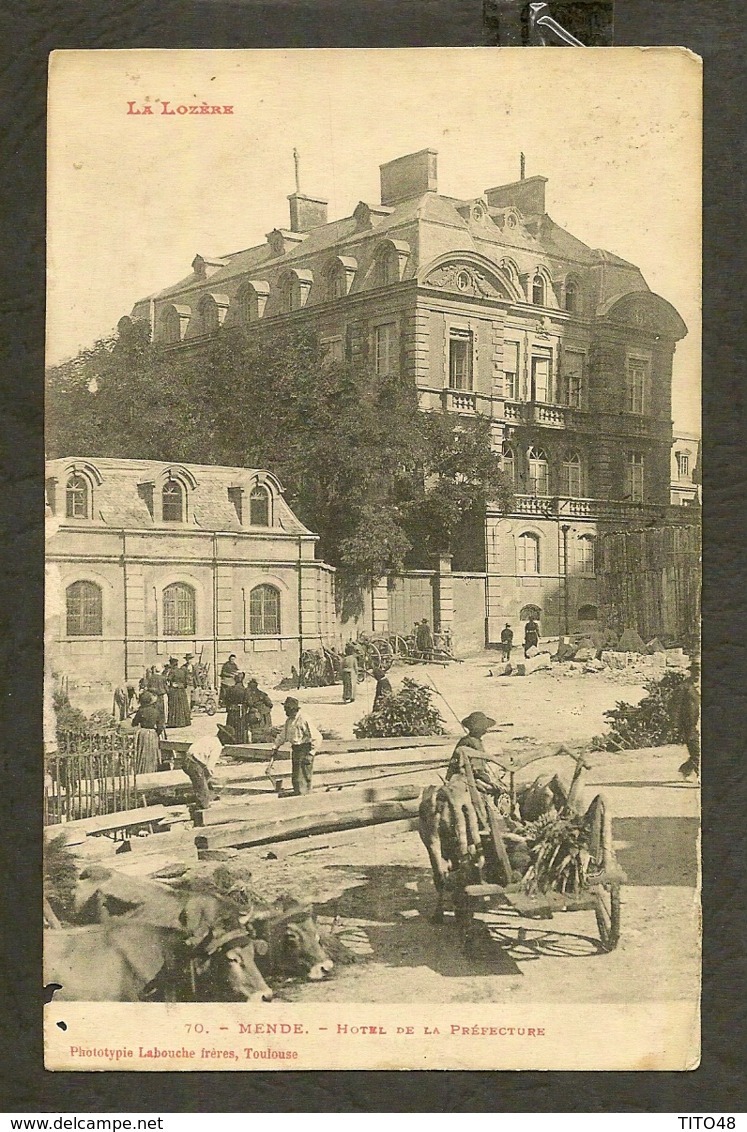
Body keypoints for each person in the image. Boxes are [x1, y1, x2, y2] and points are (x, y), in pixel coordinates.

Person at [267, 697, 322, 796]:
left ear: (293, 709)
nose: (285, 712)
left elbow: (317, 737)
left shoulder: (304, 719)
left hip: (305, 749)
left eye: (286, 709)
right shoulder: (289, 721)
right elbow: (283, 736)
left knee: (305, 776)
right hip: (296, 750)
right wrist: (275, 747)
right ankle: (298, 794)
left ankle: (305, 796)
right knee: (296, 777)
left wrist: (311, 753)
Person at [446, 710, 507, 799]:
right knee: (497, 790)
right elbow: (475, 768)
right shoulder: (469, 742)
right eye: (483, 728)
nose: (485, 730)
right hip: (467, 777)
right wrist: (489, 780)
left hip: (473, 774)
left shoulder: (475, 741)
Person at [184, 723, 234, 809]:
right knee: (204, 795)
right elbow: (210, 767)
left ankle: (197, 801)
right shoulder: (217, 746)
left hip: (187, 760)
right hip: (194, 764)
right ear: (224, 737)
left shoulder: (209, 738)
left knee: (201, 785)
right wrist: (214, 779)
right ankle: (202, 813)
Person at [130, 691, 165, 774]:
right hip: (152, 733)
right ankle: (151, 770)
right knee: (152, 753)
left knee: (141, 752)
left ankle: (141, 770)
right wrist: (156, 733)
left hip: (142, 734)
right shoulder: (156, 711)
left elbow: (134, 723)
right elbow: (160, 727)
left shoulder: (140, 711)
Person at [677, 659, 701, 779]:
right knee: (697, 752)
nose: (698, 674)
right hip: (690, 725)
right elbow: (676, 707)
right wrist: (678, 725)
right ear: (691, 672)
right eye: (695, 671)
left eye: (700, 671)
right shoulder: (685, 687)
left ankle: (686, 769)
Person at [224, 671, 250, 743]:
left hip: (231, 710)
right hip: (240, 710)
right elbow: (247, 701)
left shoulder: (229, 689)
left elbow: (226, 700)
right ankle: (239, 741)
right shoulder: (244, 690)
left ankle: (230, 740)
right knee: (240, 726)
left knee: (230, 725)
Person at [165, 656, 191, 728]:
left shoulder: (172, 671)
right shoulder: (182, 671)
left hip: (175, 690)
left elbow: (168, 680)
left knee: (175, 706)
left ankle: (174, 723)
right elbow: (186, 682)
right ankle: (184, 721)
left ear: (172, 664)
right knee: (182, 706)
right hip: (182, 690)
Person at [246, 678, 273, 742]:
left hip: (257, 714)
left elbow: (249, 704)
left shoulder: (249, 695)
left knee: (257, 731)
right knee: (266, 730)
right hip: (264, 714)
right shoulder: (262, 694)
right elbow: (270, 704)